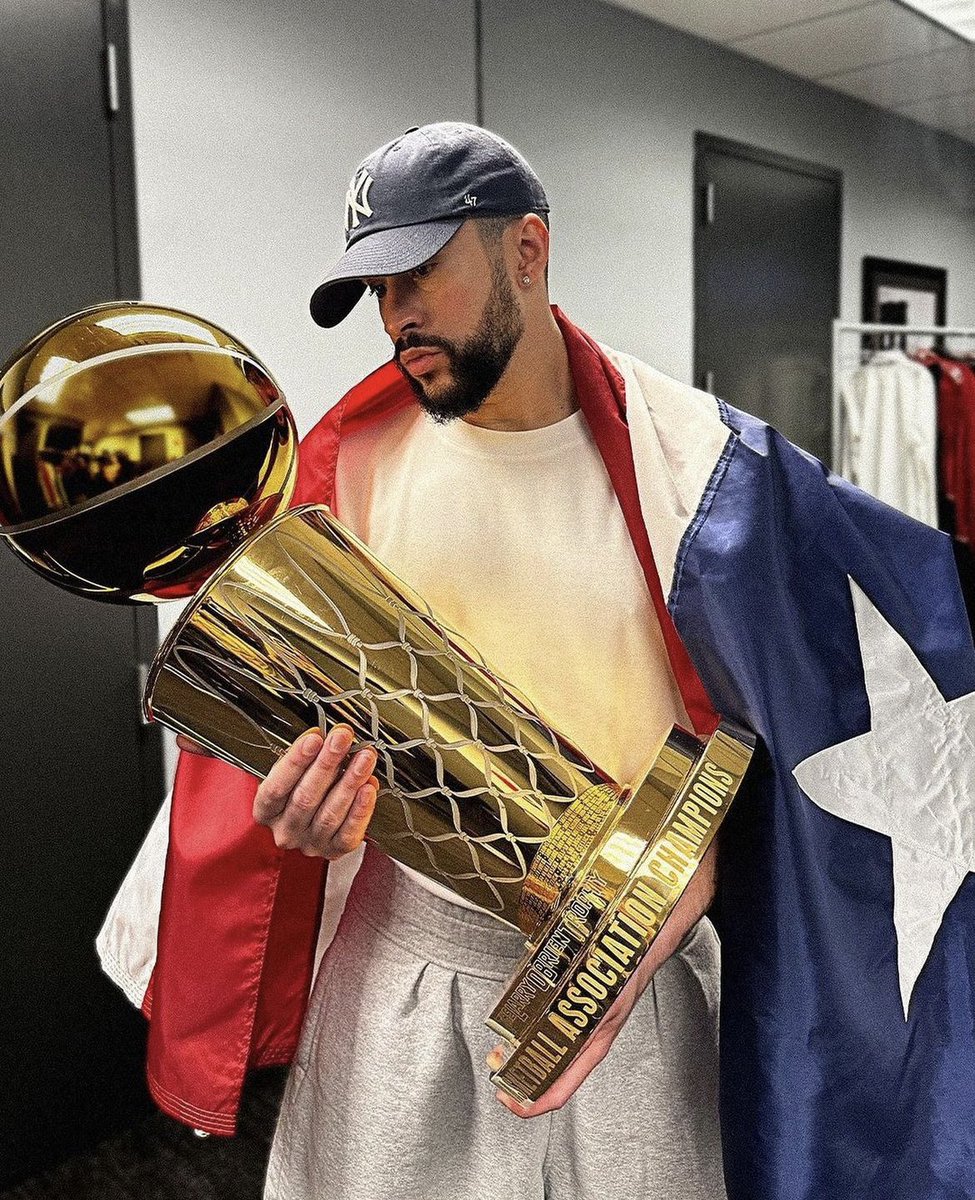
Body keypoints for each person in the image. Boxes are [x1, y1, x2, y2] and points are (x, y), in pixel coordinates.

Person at [101, 121, 975, 1200]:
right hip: (405, 970)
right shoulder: (348, 475)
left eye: (420, 271)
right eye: (373, 292)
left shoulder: (699, 473)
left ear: (527, 248)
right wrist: (301, 827)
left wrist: (705, 866)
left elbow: (814, 702)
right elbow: (298, 750)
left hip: (639, 973)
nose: (397, 317)